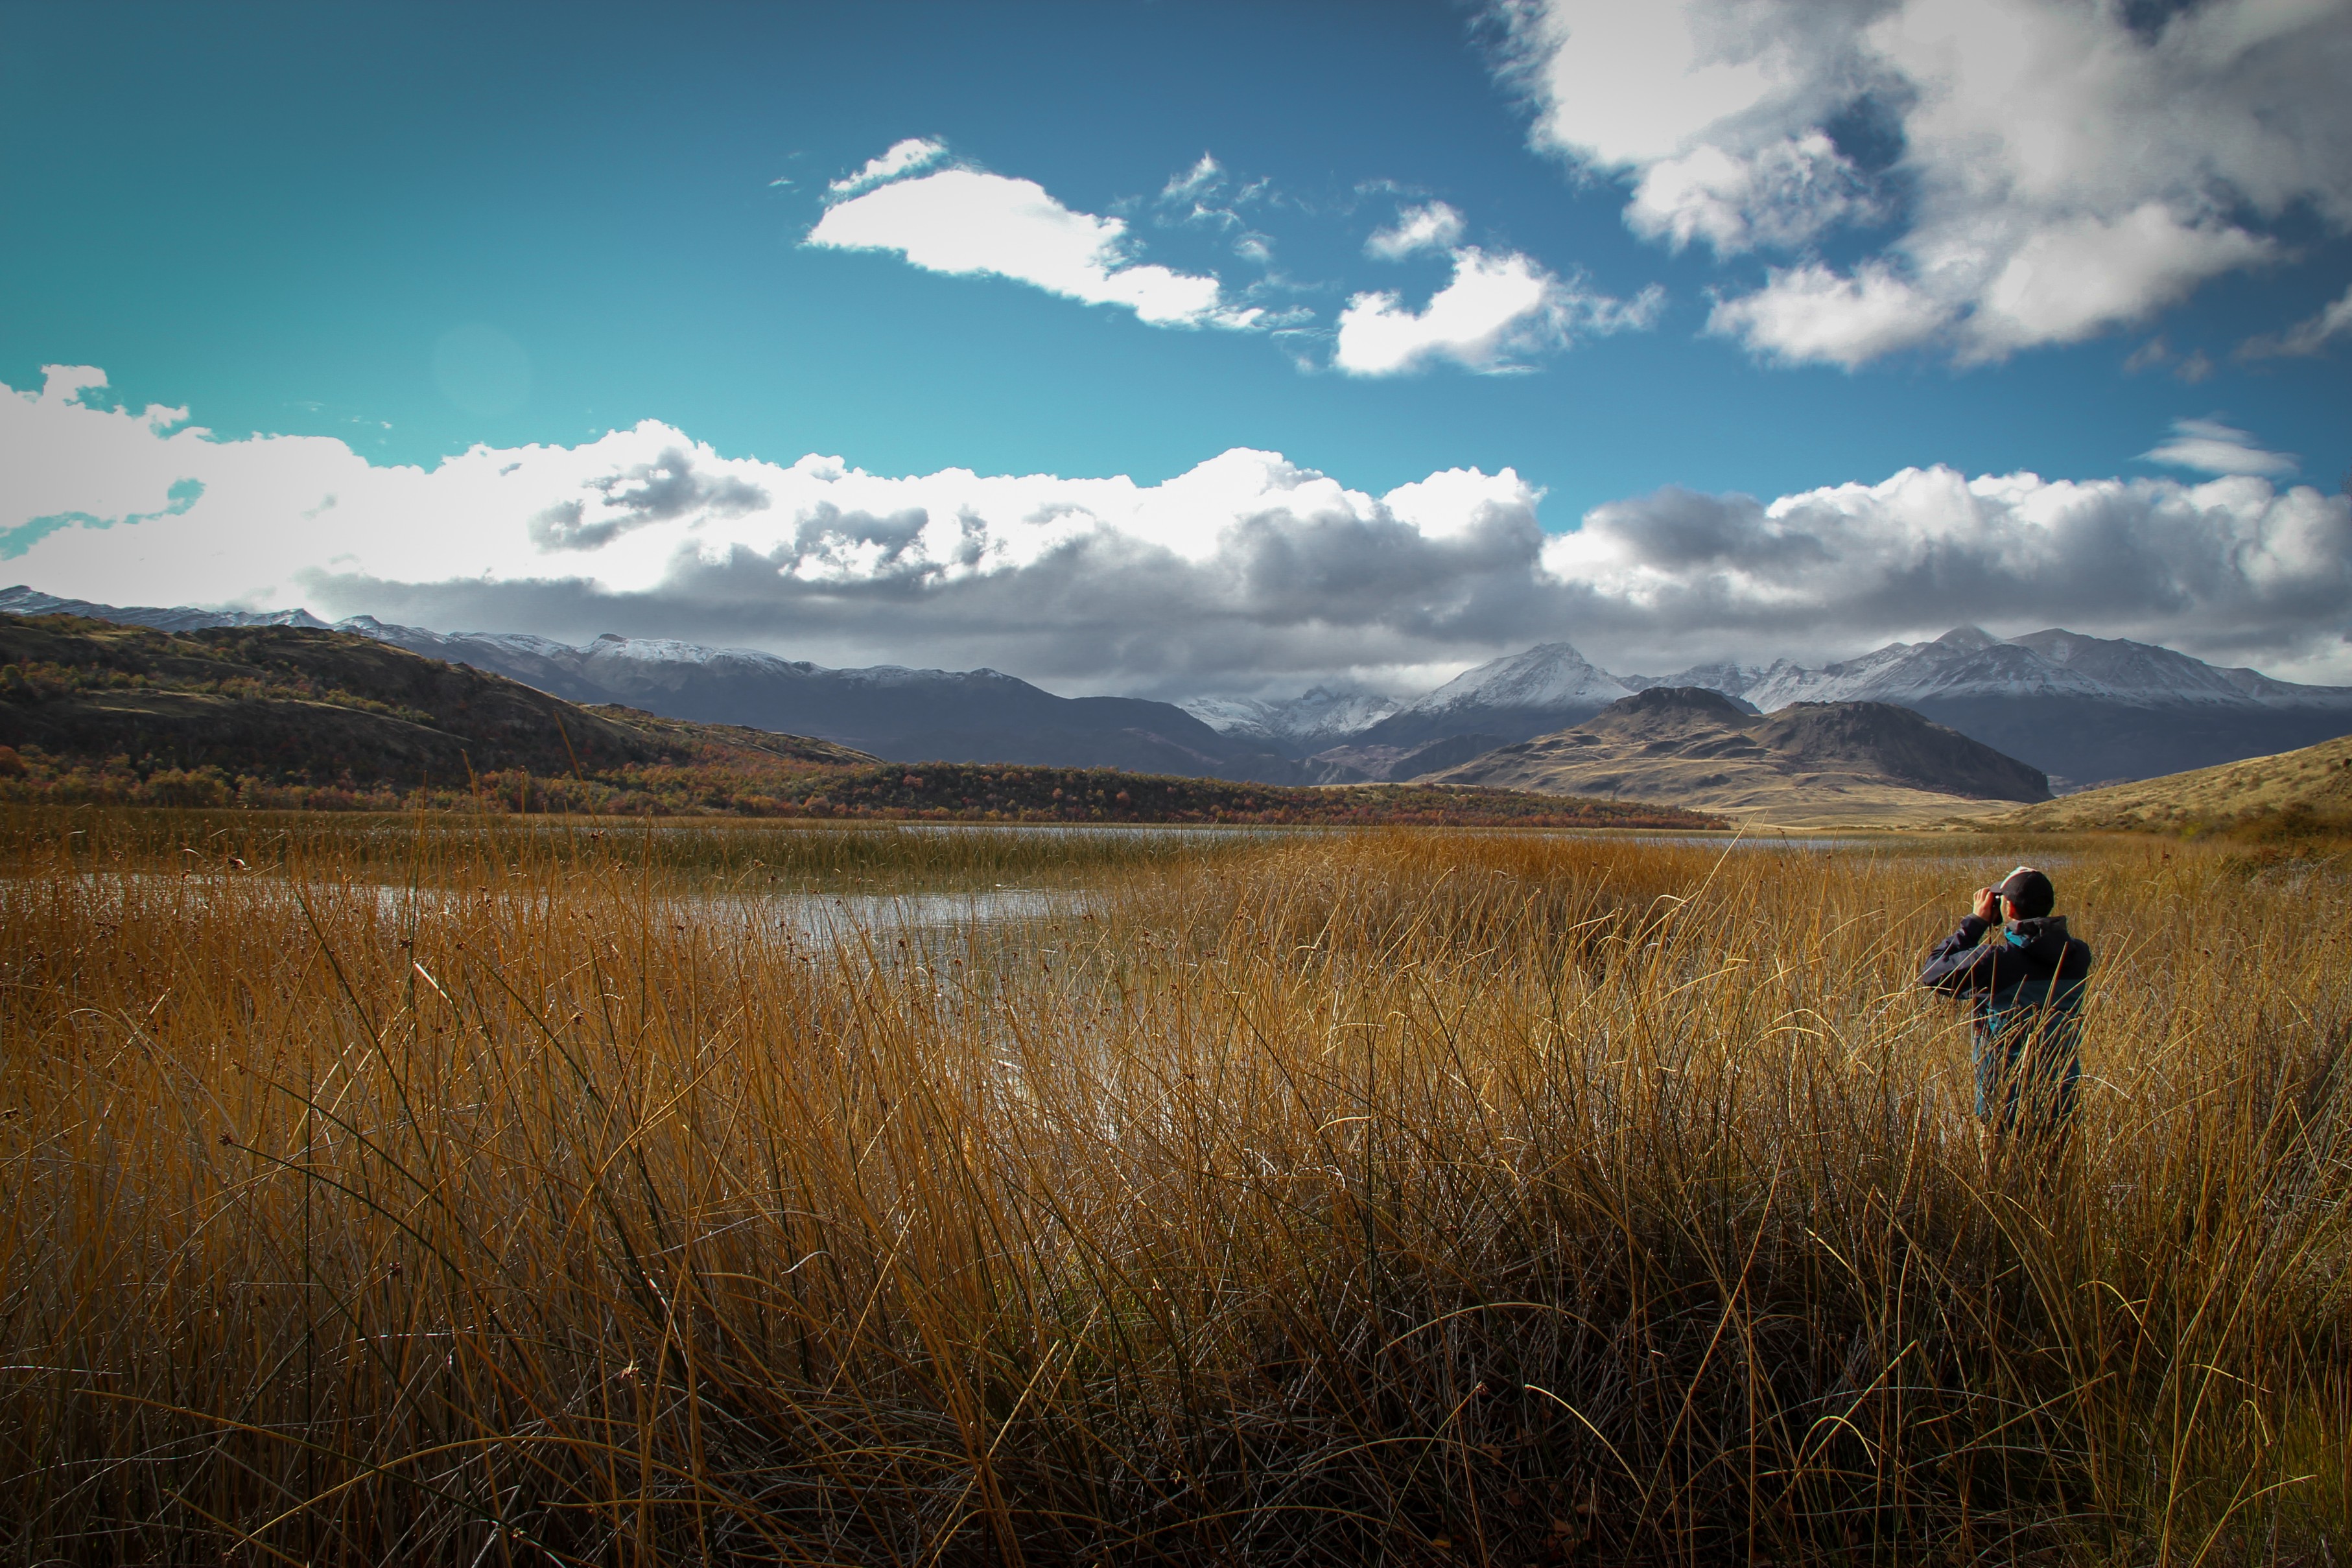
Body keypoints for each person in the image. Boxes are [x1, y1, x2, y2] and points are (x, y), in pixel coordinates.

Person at [1918, 865, 2093, 1136]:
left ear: (2009, 908)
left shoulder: (1996, 961)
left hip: (2006, 1106)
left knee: (2001, 1176)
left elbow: (1933, 974)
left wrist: (1975, 922)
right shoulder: (2078, 955)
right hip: (2062, 1101)